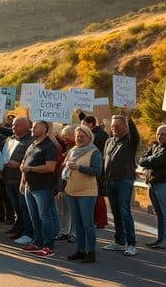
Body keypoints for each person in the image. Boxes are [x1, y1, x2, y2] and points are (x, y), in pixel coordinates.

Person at [59, 125, 102, 263]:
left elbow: (97, 171)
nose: (80, 139)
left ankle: (91, 252)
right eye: (77, 136)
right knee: (77, 223)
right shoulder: (72, 151)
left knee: (87, 223)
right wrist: (61, 189)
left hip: (87, 192)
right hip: (71, 191)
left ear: (89, 137)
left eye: (83, 136)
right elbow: (64, 171)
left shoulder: (94, 152)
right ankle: (80, 250)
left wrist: (79, 168)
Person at [102, 110, 140, 256]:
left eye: (117, 126)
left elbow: (135, 134)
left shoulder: (130, 141)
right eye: (112, 126)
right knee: (116, 212)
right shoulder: (109, 141)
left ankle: (131, 244)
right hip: (110, 181)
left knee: (124, 212)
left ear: (125, 127)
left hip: (124, 180)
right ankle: (119, 242)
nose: (114, 128)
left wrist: (129, 117)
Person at [19, 120, 59, 257]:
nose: (32, 128)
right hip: (29, 187)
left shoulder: (49, 146)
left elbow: (50, 167)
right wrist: (23, 181)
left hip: (43, 188)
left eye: (36, 127)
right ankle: (37, 242)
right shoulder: (32, 144)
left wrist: (30, 169)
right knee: (34, 216)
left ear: (45, 129)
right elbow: (24, 163)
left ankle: (49, 246)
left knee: (45, 217)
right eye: (33, 126)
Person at [139, 124, 166, 250]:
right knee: (159, 213)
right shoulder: (155, 145)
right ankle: (160, 238)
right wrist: (150, 160)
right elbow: (142, 159)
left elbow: (155, 161)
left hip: (164, 184)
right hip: (153, 183)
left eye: (163, 134)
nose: (160, 136)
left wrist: (150, 160)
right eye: (158, 133)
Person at [2, 117, 35, 244]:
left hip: (20, 179)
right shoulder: (11, 139)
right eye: (13, 125)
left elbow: (31, 158)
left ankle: (27, 231)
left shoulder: (30, 141)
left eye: (17, 125)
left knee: (24, 207)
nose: (13, 127)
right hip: (8, 177)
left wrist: (19, 163)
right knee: (16, 206)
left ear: (26, 126)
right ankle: (19, 227)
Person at [79, 113, 110, 229]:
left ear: (91, 125)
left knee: (97, 195)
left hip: (96, 168)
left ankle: (101, 220)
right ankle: (98, 219)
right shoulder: (97, 133)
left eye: (84, 125)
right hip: (95, 167)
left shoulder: (97, 136)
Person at [56, 125, 77, 243]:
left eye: (66, 137)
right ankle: (64, 231)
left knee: (73, 210)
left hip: (72, 184)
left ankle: (74, 233)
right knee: (63, 209)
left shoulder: (78, 151)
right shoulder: (65, 150)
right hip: (61, 184)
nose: (64, 140)